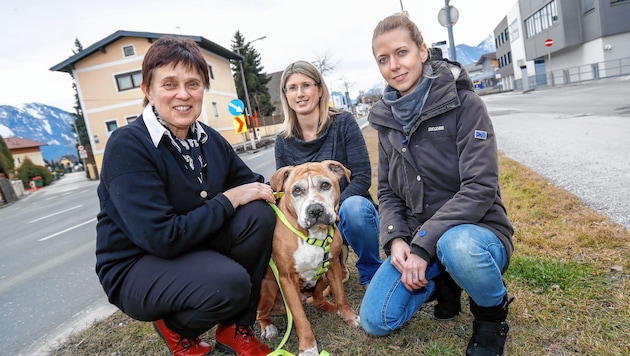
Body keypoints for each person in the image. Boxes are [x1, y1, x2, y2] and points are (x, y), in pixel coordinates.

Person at [95, 36, 277, 356]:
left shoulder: (209, 139)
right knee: (230, 283)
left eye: (193, 84)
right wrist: (228, 199)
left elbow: (252, 185)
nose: (183, 94)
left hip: (191, 246)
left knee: (258, 213)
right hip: (137, 264)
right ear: (147, 90)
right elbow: (161, 237)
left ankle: (236, 329)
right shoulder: (128, 145)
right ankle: (177, 329)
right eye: (169, 83)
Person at [359, 13, 515, 356]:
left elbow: (480, 187)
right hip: (418, 239)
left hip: (475, 232)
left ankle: (491, 312)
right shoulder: (386, 120)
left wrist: (422, 245)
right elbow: (387, 191)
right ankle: (442, 280)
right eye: (383, 59)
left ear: (423, 51)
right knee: (376, 320)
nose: (394, 65)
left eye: (402, 53)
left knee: (458, 247)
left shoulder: (465, 105)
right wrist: (396, 238)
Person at [274, 60, 383, 288]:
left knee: (355, 208)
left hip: (343, 209)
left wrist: (332, 208)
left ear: (320, 89)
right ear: (285, 95)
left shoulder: (343, 123)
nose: (300, 93)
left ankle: (370, 271)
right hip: (308, 217)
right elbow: (282, 193)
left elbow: (362, 176)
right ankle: (318, 271)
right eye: (292, 88)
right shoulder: (283, 140)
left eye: (306, 85)